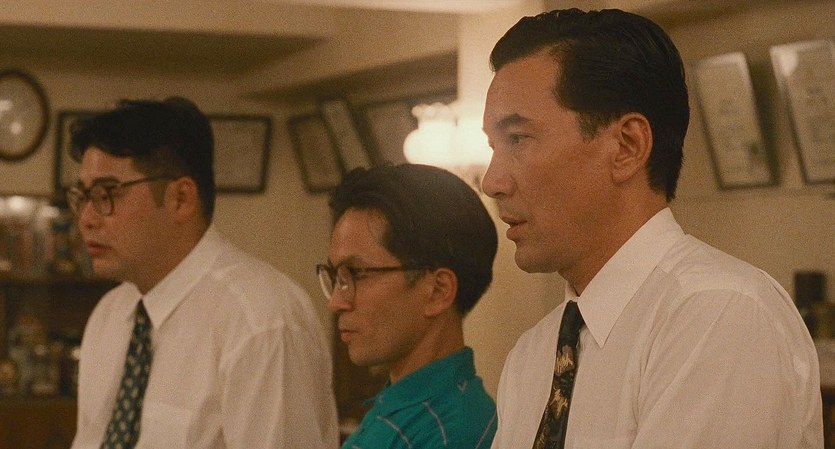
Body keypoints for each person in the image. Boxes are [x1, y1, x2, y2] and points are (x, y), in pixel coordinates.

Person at [481, 8, 822, 449]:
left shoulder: (716, 313)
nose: (492, 182)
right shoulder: (533, 353)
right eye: (493, 146)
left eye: (518, 139)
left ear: (627, 146)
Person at [67, 97, 338, 449]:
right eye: (83, 196)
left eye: (106, 194)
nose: (86, 218)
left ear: (181, 199)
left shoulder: (261, 321)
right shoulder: (110, 315)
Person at [319, 164, 498, 448]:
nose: (336, 302)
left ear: (437, 291)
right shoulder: (405, 404)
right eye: (336, 278)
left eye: (356, 273)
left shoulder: (450, 433)